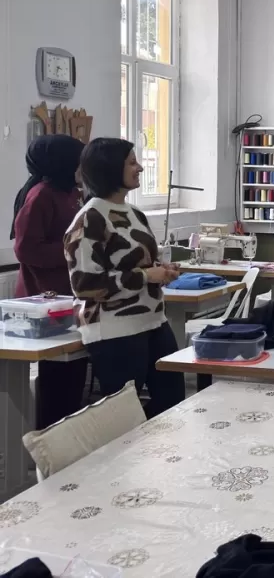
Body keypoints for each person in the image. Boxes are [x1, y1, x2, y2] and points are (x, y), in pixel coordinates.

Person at [63, 138, 185, 418]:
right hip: (114, 330)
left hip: (152, 321)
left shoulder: (135, 214)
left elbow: (139, 265)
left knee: (174, 404)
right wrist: (145, 276)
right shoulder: (90, 218)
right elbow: (84, 285)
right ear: (109, 168)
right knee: (124, 416)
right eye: (132, 163)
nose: (140, 168)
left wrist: (160, 272)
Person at [10, 135, 89, 429]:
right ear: (63, 163)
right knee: (56, 376)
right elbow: (26, 249)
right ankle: (51, 434)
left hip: (70, 293)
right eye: (79, 161)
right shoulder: (41, 195)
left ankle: (67, 432)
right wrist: (74, 250)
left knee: (74, 369)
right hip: (45, 297)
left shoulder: (71, 192)